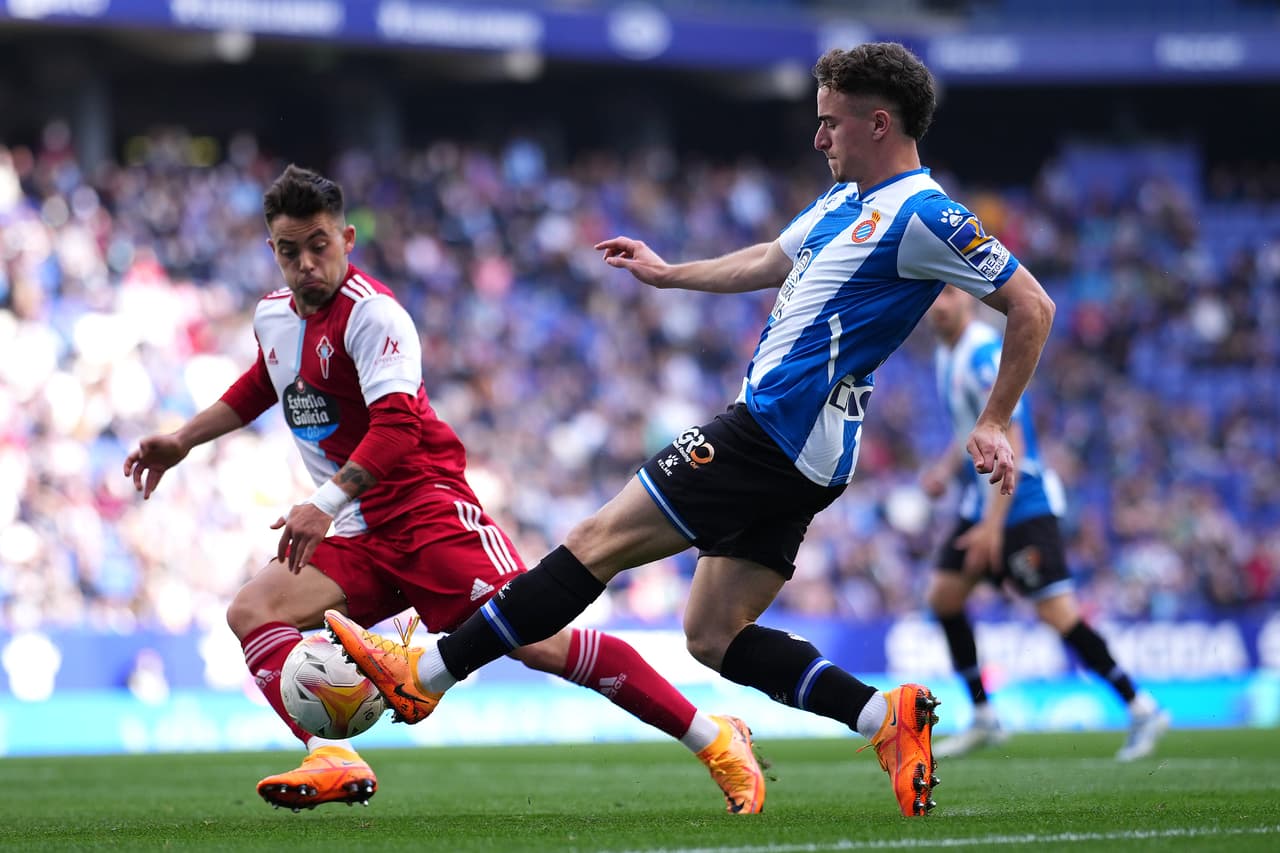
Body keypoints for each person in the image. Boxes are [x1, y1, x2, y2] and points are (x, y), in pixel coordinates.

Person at [324, 41, 1055, 818]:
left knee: (597, 539)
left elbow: (1031, 305)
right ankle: (885, 717)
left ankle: (427, 672)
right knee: (714, 633)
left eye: (830, 124)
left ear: (879, 123)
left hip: (770, 430)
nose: (818, 139)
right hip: (806, 448)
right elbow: (769, 260)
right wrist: (671, 272)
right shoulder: (843, 202)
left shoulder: (926, 213)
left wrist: (993, 418)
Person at [123, 164, 767, 815]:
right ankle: (331, 754)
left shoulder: (375, 316)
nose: (306, 263)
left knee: (540, 642)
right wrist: (183, 440)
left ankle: (714, 736)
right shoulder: (273, 318)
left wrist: (323, 502)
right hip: (358, 530)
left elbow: (398, 425)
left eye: (319, 245)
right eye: (290, 251)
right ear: (272, 251)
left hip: (431, 515)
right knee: (253, 610)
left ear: (347, 238)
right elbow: (266, 382)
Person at [921, 284, 1170, 761]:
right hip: (981, 503)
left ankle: (1142, 708)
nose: (938, 304)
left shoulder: (980, 356)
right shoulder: (946, 355)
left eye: (949, 294)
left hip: (1021, 502)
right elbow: (970, 432)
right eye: (933, 295)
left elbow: (1007, 429)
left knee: (1058, 615)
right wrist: (944, 469)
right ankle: (984, 716)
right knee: (944, 597)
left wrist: (994, 527)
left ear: (968, 300)